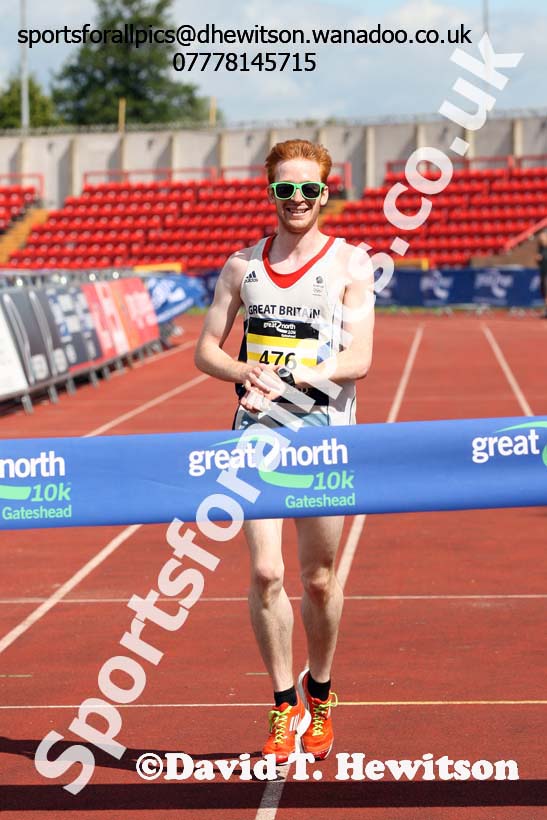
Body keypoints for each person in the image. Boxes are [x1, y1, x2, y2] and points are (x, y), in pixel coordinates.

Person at [194, 139, 375, 763]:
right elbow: (206, 350)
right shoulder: (241, 267)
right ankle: (280, 705)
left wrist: (295, 377)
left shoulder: (351, 264)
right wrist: (244, 372)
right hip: (256, 435)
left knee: (319, 581)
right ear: (269, 193)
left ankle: (319, 689)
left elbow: (360, 359)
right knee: (267, 572)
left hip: (324, 437)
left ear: (326, 193)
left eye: (308, 189)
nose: (296, 199)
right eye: (284, 189)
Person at [536, 230, 547, 318]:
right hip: (543, 272)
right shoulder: (540, 249)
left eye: (543, 238)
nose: (542, 239)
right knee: (544, 292)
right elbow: (539, 262)